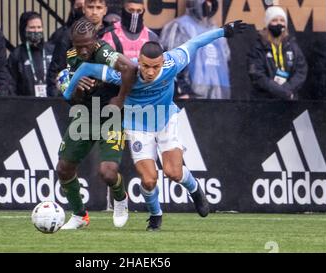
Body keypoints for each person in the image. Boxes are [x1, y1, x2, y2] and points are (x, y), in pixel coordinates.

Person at [63, 21, 247, 231]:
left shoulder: (173, 62)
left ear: (162, 62)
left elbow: (195, 43)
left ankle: (195, 189)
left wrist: (223, 31)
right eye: (145, 66)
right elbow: (87, 67)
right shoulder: (126, 73)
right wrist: (69, 92)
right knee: (149, 181)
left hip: (165, 118)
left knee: (173, 172)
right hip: (137, 123)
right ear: (138, 62)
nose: (150, 72)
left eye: (155, 67)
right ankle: (155, 215)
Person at [57, 18, 137, 230]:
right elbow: (70, 97)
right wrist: (77, 89)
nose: (83, 50)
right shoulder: (71, 55)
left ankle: (120, 199)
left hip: (110, 116)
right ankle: (79, 215)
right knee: (64, 169)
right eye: (78, 45)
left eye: (87, 45)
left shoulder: (104, 52)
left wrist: (120, 99)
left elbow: (130, 68)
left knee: (108, 173)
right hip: (85, 114)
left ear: (95, 40)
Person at [160, 0, 231, 99]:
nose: (209, 5)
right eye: (206, 1)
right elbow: (170, 62)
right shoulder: (181, 26)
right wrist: (182, 90)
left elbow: (225, 64)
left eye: (211, 1)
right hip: (190, 96)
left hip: (219, 96)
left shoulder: (217, 31)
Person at [47, 0, 115, 96]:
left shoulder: (113, 34)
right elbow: (57, 70)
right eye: (90, 7)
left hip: (106, 97)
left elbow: (119, 68)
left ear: (105, 10)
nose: (94, 12)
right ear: (83, 9)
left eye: (99, 7)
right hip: (76, 98)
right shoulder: (69, 36)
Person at [247, 6, 307, 100]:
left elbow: (301, 71)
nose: (279, 23)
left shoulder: (292, 46)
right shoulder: (258, 48)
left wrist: (287, 89)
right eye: (274, 20)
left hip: (289, 101)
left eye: (282, 20)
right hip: (264, 102)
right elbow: (257, 75)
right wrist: (279, 91)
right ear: (267, 24)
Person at [8, 12, 53, 97]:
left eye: (39, 27)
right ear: (24, 29)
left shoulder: (52, 51)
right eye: (32, 27)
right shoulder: (17, 54)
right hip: (26, 105)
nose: (36, 30)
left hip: (51, 102)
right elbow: (11, 85)